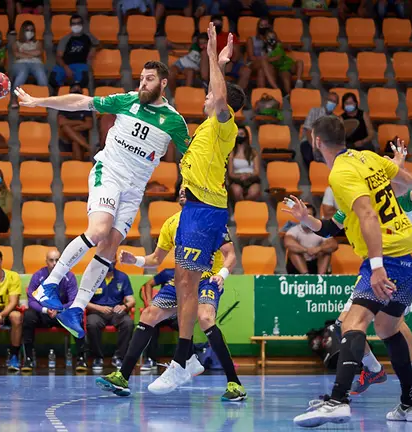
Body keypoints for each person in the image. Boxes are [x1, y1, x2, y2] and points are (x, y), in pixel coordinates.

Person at [14, 60, 190, 339]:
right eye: (142, 78)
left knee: (110, 246)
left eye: (150, 79)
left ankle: (76, 308)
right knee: (98, 231)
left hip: (134, 189)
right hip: (108, 173)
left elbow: (190, 158)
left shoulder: (173, 121)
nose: (143, 83)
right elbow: (81, 102)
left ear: (163, 83)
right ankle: (49, 283)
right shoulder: (126, 101)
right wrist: (39, 102)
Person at [291, 115, 412, 427]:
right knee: (388, 328)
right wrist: (304, 218)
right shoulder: (368, 159)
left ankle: (338, 400)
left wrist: (377, 267)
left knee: (353, 322)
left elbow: (366, 214)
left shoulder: (341, 174)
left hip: (388, 256)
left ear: (316, 141)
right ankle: (411, 402)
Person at [149, 22, 245, 395]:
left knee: (188, 284)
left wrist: (213, 58)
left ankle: (181, 360)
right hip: (196, 208)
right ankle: (185, 358)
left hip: (205, 211)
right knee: (184, 282)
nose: (204, 98)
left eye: (209, 93)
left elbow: (219, 99)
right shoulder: (207, 129)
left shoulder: (224, 124)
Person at [97, 188, 244, 400]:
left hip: (206, 280)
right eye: (181, 191)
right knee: (149, 315)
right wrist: (135, 260)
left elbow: (231, 255)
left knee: (204, 317)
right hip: (180, 283)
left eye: (188, 190)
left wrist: (222, 275)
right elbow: (156, 258)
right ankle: (122, 377)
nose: (183, 193)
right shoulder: (172, 223)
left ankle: (234, 383)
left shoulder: (210, 219)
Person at [23, 249, 86, 372]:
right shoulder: (38, 275)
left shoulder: (69, 276)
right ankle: (28, 358)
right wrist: (46, 310)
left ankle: (81, 358)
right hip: (43, 313)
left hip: (61, 313)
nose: (54, 263)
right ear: (46, 262)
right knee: (28, 316)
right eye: (51, 260)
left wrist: (59, 310)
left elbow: (73, 300)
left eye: (57, 260)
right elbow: (31, 300)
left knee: (78, 316)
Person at [85, 264, 136, 371]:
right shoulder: (91, 277)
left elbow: (131, 300)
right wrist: (99, 308)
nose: (109, 262)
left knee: (128, 323)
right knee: (92, 324)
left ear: (116, 261)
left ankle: (119, 357)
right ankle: (98, 357)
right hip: (97, 311)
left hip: (116, 312)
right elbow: (84, 301)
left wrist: (124, 306)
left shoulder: (122, 277)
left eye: (112, 259)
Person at [200, 15, 251, 90]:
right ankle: (207, 85)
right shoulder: (206, 36)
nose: (217, 25)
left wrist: (231, 62)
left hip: (231, 63)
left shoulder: (230, 35)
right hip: (213, 65)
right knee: (204, 53)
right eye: (215, 23)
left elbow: (237, 53)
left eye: (219, 23)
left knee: (246, 71)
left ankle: (236, 95)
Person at [284, 205, 339, 275]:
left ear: (313, 217)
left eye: (307, 215)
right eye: (303, 215)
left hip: (316, 262)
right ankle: (306, 276)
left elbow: (334, 245)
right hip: (298, 265)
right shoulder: (294, 230)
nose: (304, 217)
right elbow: (288, 243)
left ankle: (321, 277)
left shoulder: (320, 230)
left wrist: (319, 248)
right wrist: (306, 250)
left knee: (326, 252)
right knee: (292, 252)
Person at [51, 15, 98, 89]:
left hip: (81, 65)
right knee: (53, 79)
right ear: (70, 26)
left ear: (82, 24)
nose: (76, 26)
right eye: (74, 24)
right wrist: (66, 68)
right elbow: (58, 56)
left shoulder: (88, 37)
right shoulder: (65, 39)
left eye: (78, 23)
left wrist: (94, 48)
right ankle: (62, 91)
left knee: (83, 80)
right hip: (66, 65)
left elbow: (99, 43)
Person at [10, 20, 48, 108]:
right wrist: (32, 53)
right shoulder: (16, 43)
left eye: (31, 30)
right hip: (20, 64)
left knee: (41, 73)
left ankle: (44, 99)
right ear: (23, 31)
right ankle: (14, 98)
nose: (29, 32)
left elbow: (38, 52)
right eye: (27, 30)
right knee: (22, 73)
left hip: (36, 63)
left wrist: (24, 53)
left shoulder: (38, 43)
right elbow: (16, 54)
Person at [300, 92, 339, 169]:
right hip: (310, 142)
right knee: (309, 154)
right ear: (325, 100)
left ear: (336, 105)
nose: (331, 103)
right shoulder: (314, 111)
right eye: (330, 100)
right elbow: (308, 132)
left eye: (334, 102)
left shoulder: (336, 119)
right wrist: (316, 147)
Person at [57, 83, 94, 161]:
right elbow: (61, 122)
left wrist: (71, 129)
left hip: (81, 136)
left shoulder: (86, 106)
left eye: (78, 90)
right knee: (65, 127)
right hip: (66, 139)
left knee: (75, 141)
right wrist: (79, 122)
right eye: (74, 90)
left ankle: (78, 168)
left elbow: (89, 124)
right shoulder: (63, 105)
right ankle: (88, 147)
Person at [263, 30, 304, 95]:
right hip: (282, 69)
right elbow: (266, 60)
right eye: (269, 37)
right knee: (286, 84)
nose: (271, 39)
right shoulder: (266, 52)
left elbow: (286, 46)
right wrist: (275, 58)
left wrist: (288, 46)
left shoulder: (279, 45)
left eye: (273, 37)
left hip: (289, 63)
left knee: (300, 62)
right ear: (265, 40)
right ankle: (291, 96)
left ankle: (299, 81)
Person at [227, 126, 261, 202]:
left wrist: (248, 175)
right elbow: (231, 173)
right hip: (237, 180)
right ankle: (240, 209)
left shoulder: (253, 152)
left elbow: (257, 172)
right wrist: (240, 176)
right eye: (237, 134)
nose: (239, 136)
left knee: (254, 192)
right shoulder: (231, 153)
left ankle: (246, 208)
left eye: (241, 134)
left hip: (251, 179)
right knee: (237, 191)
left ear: (246, 136)